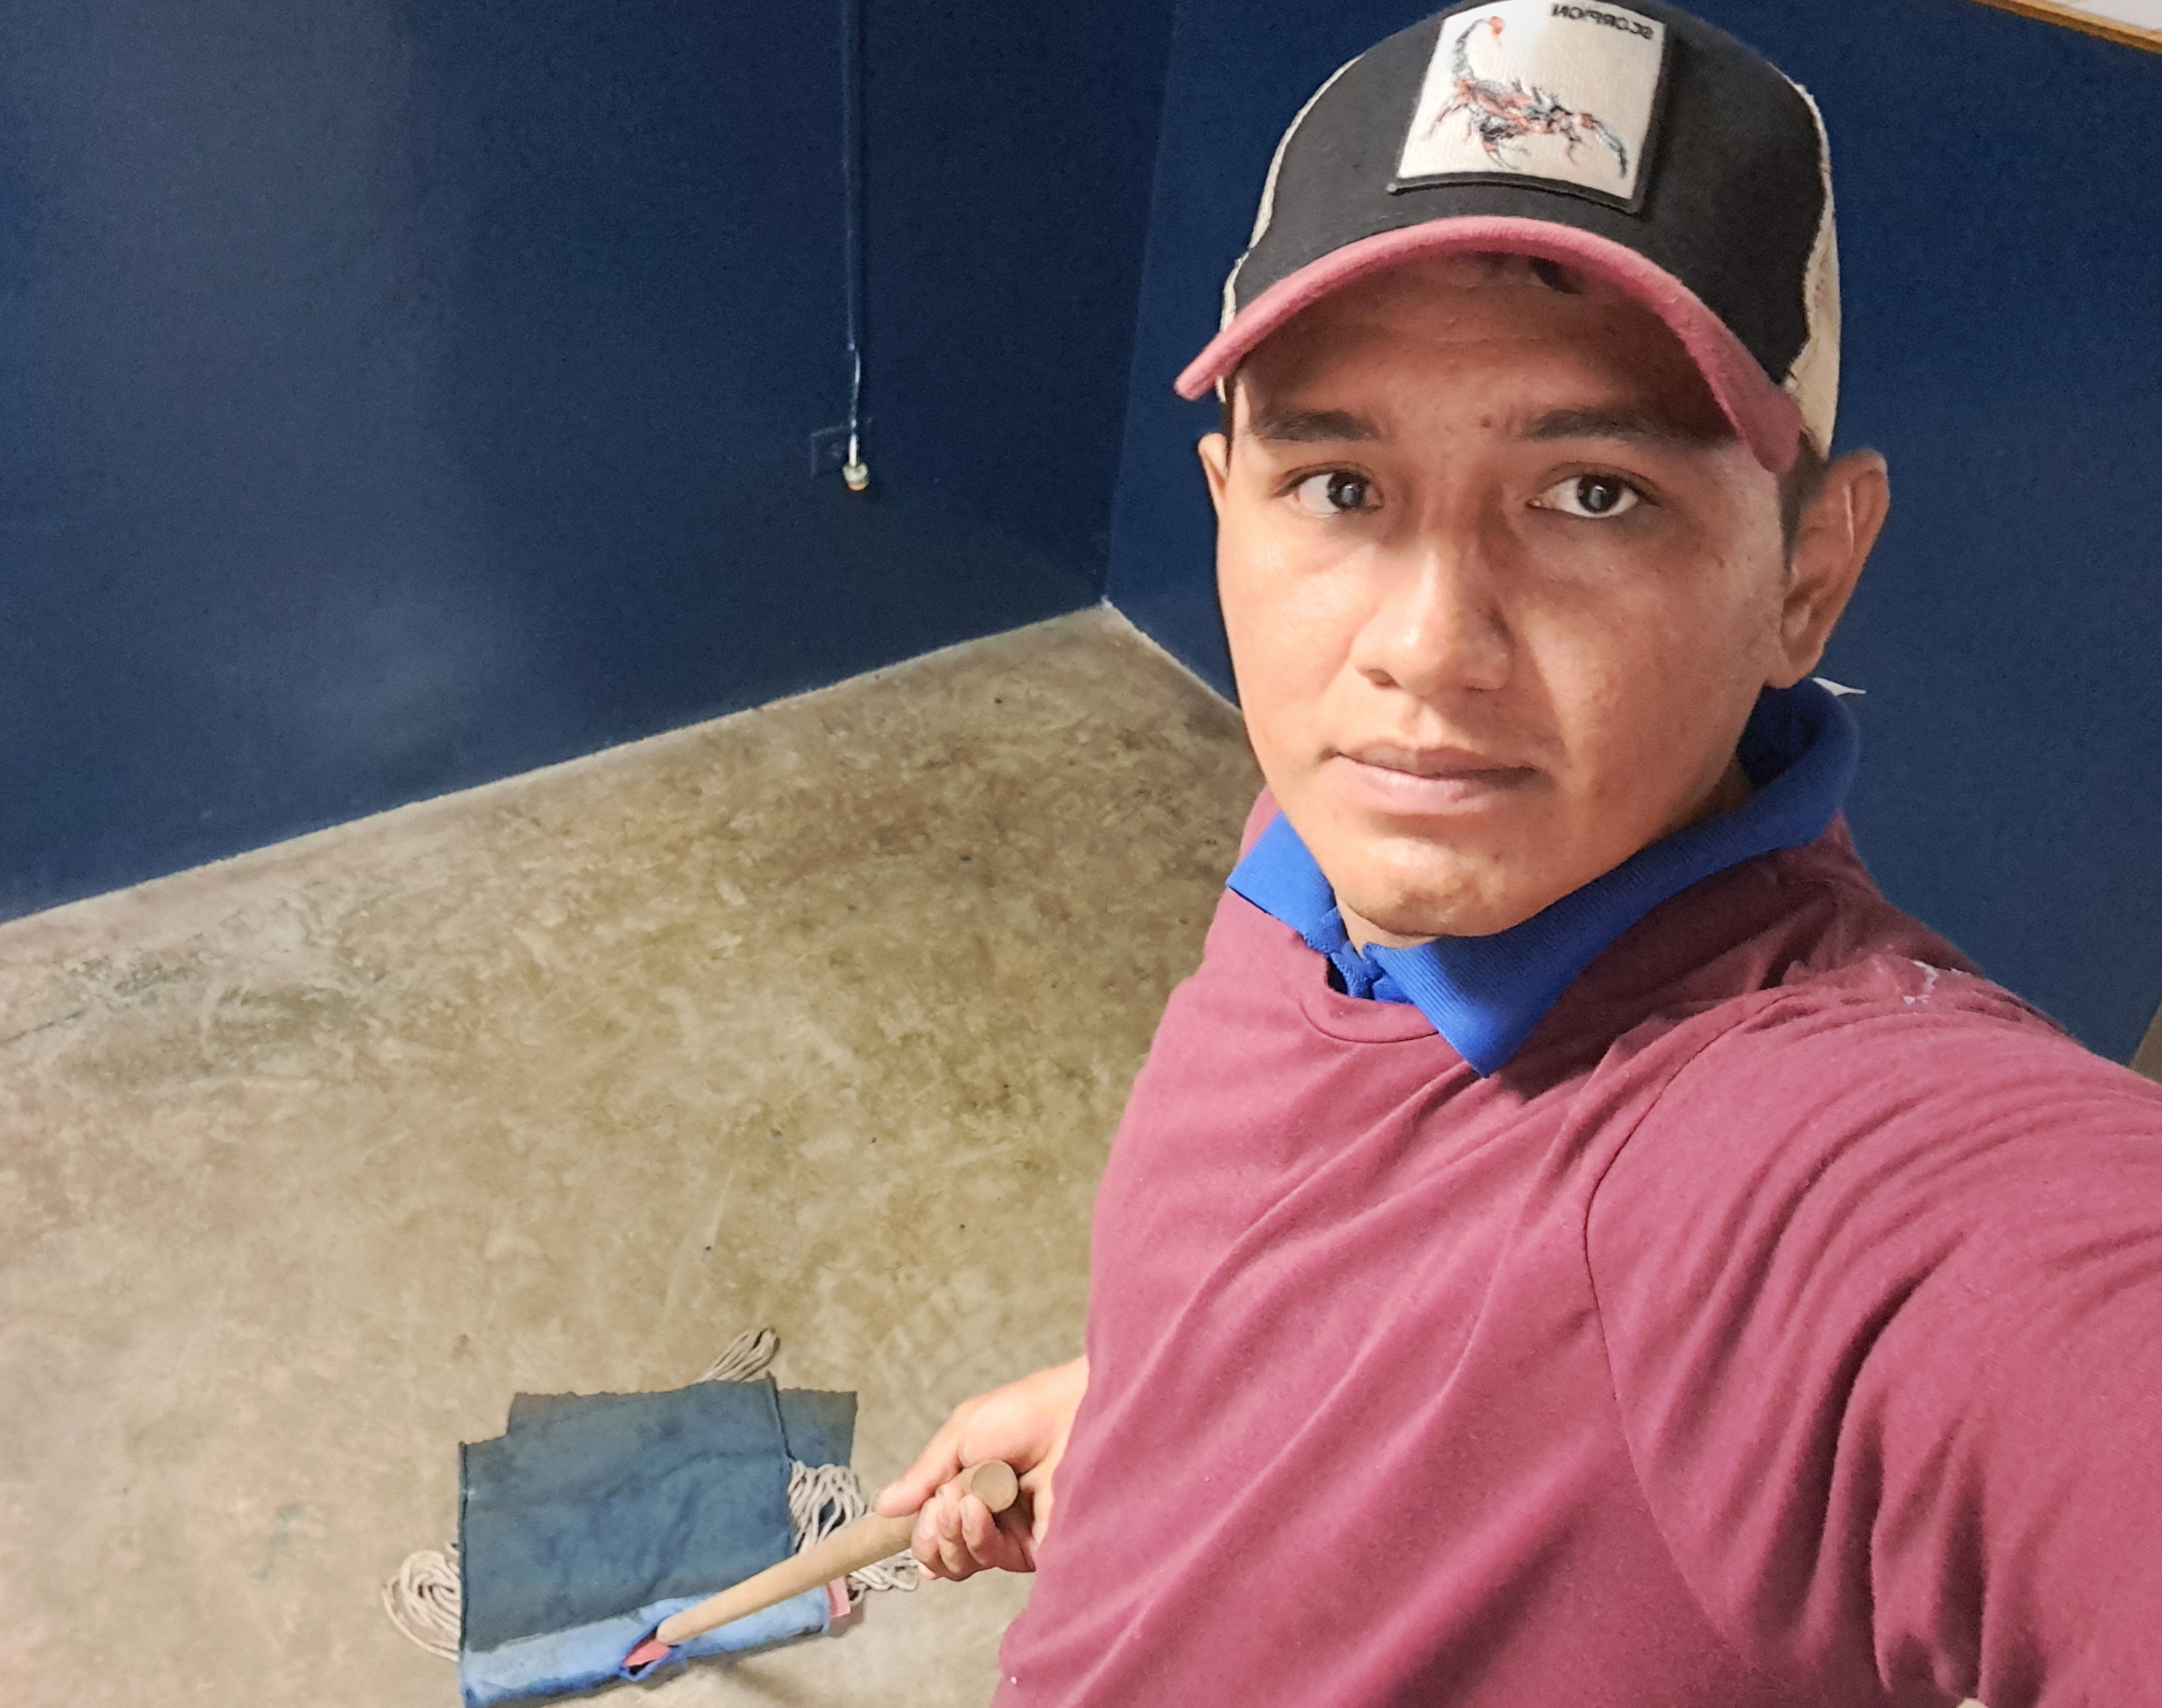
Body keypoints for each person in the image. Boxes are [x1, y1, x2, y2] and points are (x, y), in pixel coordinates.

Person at [876, 3, 2162, 1703]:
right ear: (1226, 504)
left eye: (1593, 495)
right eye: (1341, 486)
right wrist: (1164, 1410)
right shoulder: (1338, 831)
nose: (1425, 649)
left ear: (1808, 577)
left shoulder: (1826, 1177)